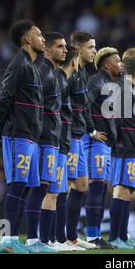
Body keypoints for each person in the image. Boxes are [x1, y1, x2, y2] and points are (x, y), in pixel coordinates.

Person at [0, 19, 45, 254]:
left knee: (25, 188)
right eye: (39, 34)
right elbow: (3, 98)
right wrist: (0, 130)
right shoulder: (19, 64)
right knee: (17, 184)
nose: (43, 38)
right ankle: (7, 241)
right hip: (17, 134)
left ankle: (16, 240)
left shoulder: (32, 66)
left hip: (30, 136)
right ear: (28, 39)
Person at [24, 32, 67, 253]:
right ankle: (33, 241)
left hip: (52, 138)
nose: (65, 50)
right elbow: (36, 107)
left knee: (46, 186)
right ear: (47, 50)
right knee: (39, 187)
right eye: (60, 46)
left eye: (65, 46)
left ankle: (43, 240)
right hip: (43, 138)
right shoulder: (42, 72)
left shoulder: (55, 74)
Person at [39, 45, 83, 251]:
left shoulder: (62, 80)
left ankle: (55, 238)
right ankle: (45, 239)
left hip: (61, 142)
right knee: (51, 191)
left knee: (59, 190)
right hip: (54, 141)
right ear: (74, 62)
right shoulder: (58, 80)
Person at [64, 31, 102, 250]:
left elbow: (84, 107)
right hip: (68, 134)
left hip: (79, 134)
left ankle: (71, 236)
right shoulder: (68, 73)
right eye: (91, 47)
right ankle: (54, 236)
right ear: (78, 49)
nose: (94, 51)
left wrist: (91, 130)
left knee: (81, 184)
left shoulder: (83, 73)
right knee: (63, 185)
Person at [108, 56, 135, 249]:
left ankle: (122, 237)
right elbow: (116, 121)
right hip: (125, 149)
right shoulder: (124, 90)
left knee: (128, 192)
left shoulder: (132, 90)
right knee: (122, 191)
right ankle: (114, 237)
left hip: (133, 148)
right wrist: (120, 144)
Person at [84, 47, 122, 249]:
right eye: (118, 61)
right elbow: (84, 105)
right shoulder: (96, 81)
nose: (121, 64)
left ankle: (95, 236)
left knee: (100, 187)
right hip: (96, 141)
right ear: (108, 65)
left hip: (105, 143)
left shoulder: (109, 84)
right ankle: (92, 237)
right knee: (97, 186)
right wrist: (91, 131)